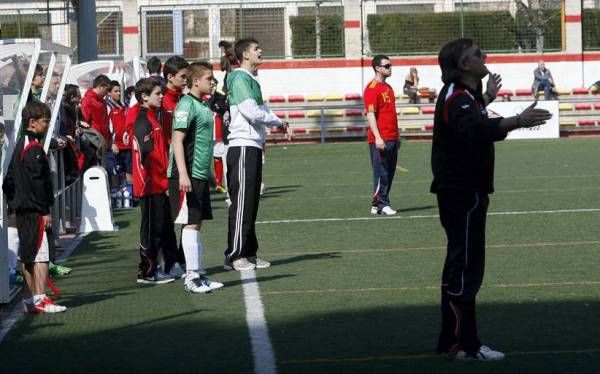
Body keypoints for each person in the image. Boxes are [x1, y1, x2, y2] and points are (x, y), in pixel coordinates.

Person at [432, 38, 552, 361]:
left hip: (461, 191)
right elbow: (474, 130)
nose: (484, 57)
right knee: (466, 270)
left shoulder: (465, 94)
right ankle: (465, 345)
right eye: (476, 54)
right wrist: (516, 121)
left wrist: (486, 98)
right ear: (464, 66)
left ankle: (450, 340)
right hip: (463, 193)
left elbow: (472, 119)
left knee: (458, 267)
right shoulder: (458, 97)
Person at [224, 37, 291, 271]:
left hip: (252, 145)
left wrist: (277, 122)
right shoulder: (239, 77)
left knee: (251, 203)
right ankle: (235, 255)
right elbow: (251, 111)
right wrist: (277, 121)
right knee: (242, 203)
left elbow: (262, 109)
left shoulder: (252, 79)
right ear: (244, 55)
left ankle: (249, 252)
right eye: (256, 49)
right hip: (242, 146)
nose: (261, 51)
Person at [2, 100, 67, 313]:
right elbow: (38, 182)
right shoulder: (34, 148)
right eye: (45, 121)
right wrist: (44, 209)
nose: (47, 125)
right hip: (35, 211)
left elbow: (8, 180)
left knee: (27, 254)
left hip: (22, 209)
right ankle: (40, 298)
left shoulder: (18, 145)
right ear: (32, 122)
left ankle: (30, 299)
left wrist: (14, 203)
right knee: (41, 254)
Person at [168, 61, 224, 293]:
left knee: (196, 224)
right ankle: (191, 278)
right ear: (195, 81)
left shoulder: (202, 106)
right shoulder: (186, 106)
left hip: (199, 174)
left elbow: (201, 144)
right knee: (190, 224)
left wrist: (210, 174)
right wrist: (183, 174)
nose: (213, 82)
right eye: (209, 78)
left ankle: (199, 274)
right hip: (187, 174)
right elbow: (177, 141)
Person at [131, 78, 177, 284]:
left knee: (160, 228)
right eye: (158, 93)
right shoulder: (143, 121)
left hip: (157, 184)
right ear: (144, 96)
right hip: (150, 186)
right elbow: (148, 158)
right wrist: (162, 182)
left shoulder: (152, 118)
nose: (161, 97)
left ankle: (157, 267)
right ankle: (148, 271)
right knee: (151, 230)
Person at [364, 54, 399, 216]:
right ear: (378, 68)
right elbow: (370, 114)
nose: (390, 68)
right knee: (381, 172)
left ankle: (377, 202)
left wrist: (396, 137)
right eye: (387, 66)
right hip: (381, 138)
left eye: (390, 65)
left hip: (392, 137)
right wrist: (378, 137)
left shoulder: (388, 88)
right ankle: (382, 204)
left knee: (389, 172)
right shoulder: (372, 89)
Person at [81, 74, 112, 164]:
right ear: (101, 87)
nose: (107, 93)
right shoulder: (88, 100)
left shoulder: (102, 101)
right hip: (94, 142)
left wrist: (109, 139)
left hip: (104, 142)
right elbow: (85, 123)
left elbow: (105, 121)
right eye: (107, 89)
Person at [106, 80, 131, 187]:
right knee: (116, 172)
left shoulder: (125, 105)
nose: (119, 93)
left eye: (120, 91)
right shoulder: (107, 106)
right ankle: (117, 196)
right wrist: (112, 143)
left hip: (127, 145)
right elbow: (108, 127)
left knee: (129, 171)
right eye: (116, 91)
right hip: (116, 146)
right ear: (109, 93)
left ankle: (130, 196)